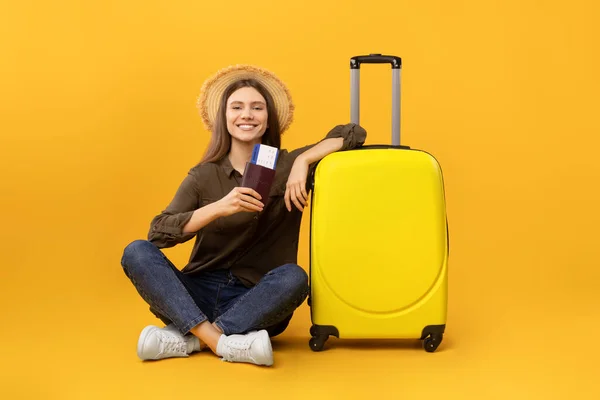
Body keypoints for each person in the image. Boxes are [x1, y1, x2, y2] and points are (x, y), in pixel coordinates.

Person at [120, 64, 367, 367]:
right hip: (195, 293)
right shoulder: (203, 175)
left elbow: (353, 134)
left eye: (257, 108)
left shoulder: (284, 165)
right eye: (237, 107)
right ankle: (221, 342)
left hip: (255, 300)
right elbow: (158, 234)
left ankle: (191, 338)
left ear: (267, 120)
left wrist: (304, 160)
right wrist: (221, 206)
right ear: (225, 119)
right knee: (136, 252)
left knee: (295, 278)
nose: (247, 115)